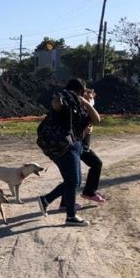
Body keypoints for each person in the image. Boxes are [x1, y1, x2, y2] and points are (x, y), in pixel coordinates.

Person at [37, 78, 100, 226]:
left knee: (74, 181)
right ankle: (70, 216)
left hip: (71, 147)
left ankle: (46, 200)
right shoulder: (65, 100)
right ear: (80, 91)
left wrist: (85, 103)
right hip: (65, 147)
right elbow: (56, 105)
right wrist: (59, 100)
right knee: (73, 181)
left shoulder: (79, 108)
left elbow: (97, 120)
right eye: (84, 93)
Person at [78, 88, 107, 204]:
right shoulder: (82, 110)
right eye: (89, 97)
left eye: (92, 97)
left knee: (73, 177)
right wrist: (84, 132)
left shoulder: (86, 110)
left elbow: (94, 121)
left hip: (83, 146)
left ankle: (65, 202)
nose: (91, 99)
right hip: (79, 146)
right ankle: (89, 192)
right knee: (96, 164)